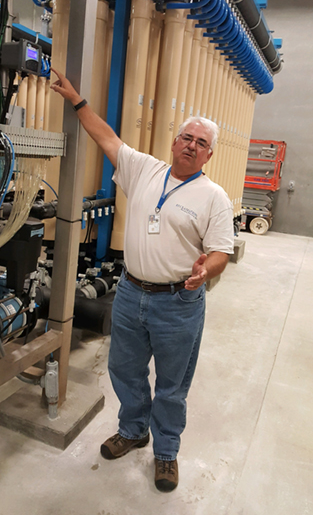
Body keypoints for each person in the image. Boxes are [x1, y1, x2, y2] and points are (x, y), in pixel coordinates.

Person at [50, 68, 234, 492]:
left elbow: (222, 250)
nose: (191, 145)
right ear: (174, 142)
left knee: (172, 384)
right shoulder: (144, 170)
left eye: (201, 143)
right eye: (187, 137)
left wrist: (206, 271)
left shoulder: (214, 197)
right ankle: (133, 430)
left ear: (208, 156)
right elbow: (105, 136)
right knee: (125, 369)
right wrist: (77, 100)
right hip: (131, 293)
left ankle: (166, 451)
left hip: (178, 303)